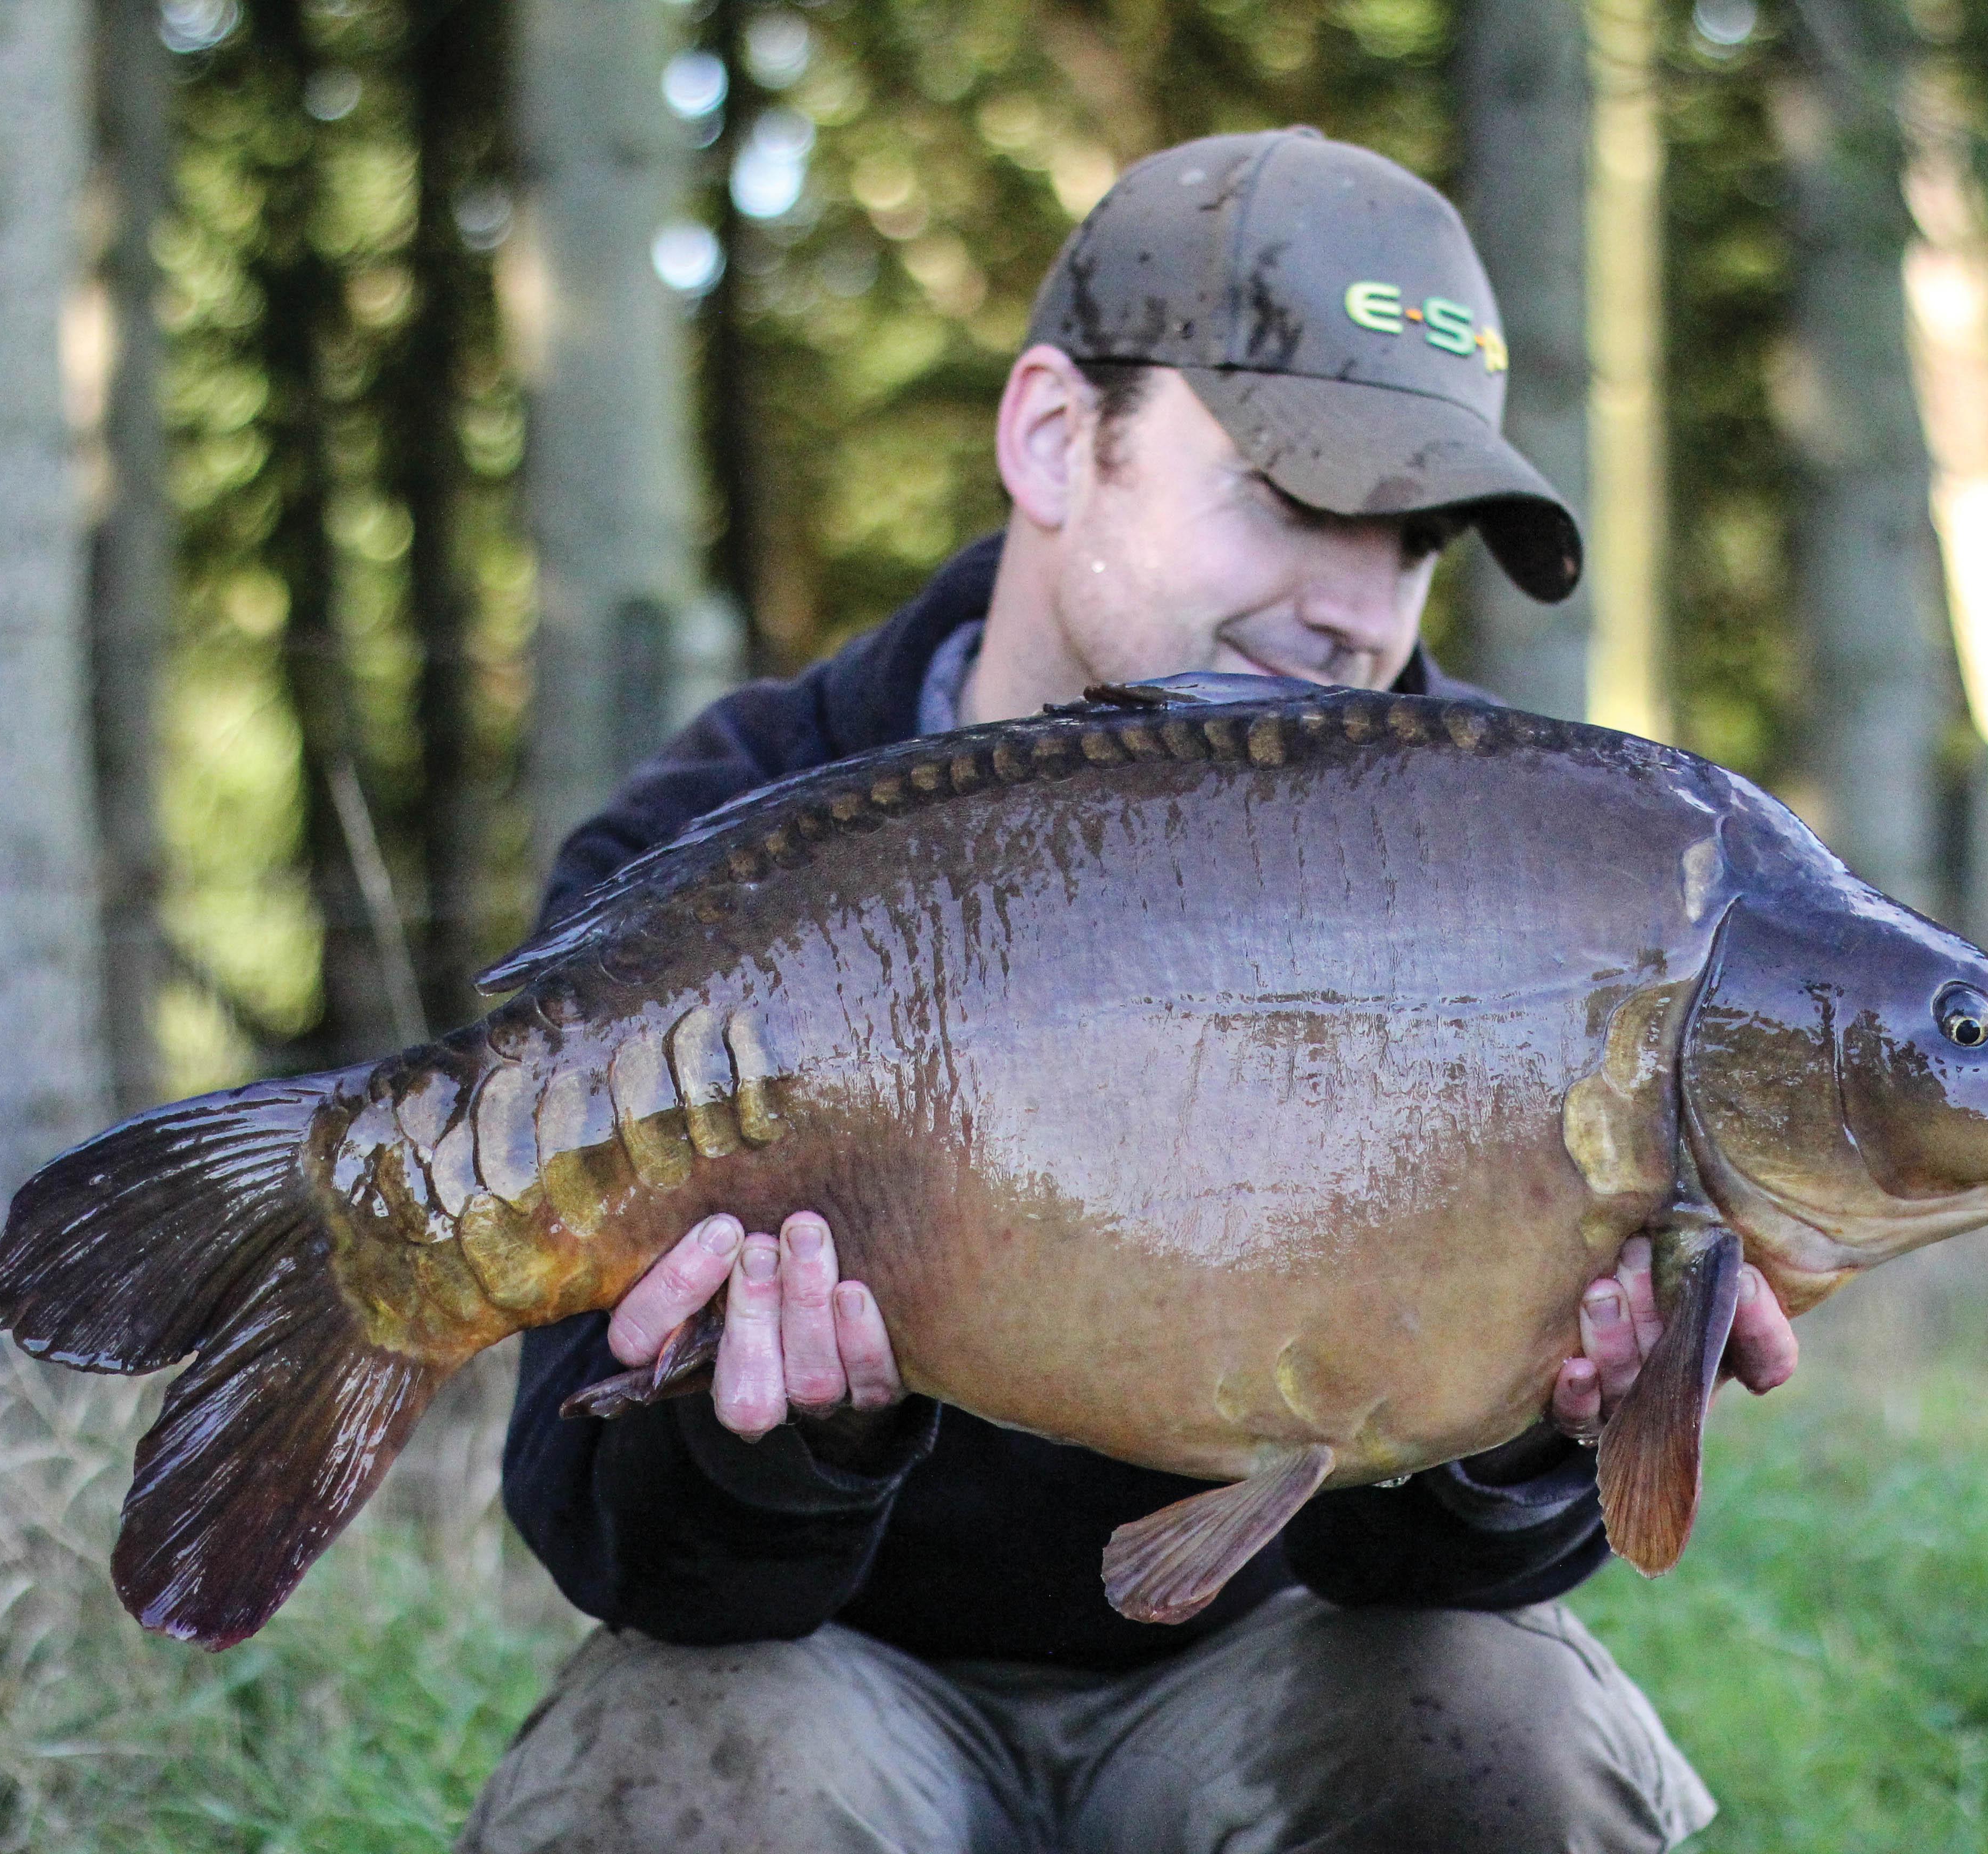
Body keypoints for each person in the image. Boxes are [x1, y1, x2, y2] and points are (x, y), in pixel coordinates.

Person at [458, 128, 1799, 1854]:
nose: (1352, 613)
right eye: (1299, 498)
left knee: (1503, 1723)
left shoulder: (1537, 902)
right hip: (836, 1687)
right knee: (672, 1773)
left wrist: (1522, 1430)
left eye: (1415, 544)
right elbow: (622, 1561)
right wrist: (782, 1444)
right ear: (1051, 437)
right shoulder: (715, 862)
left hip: (1260, 1682)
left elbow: (1431, 1585)